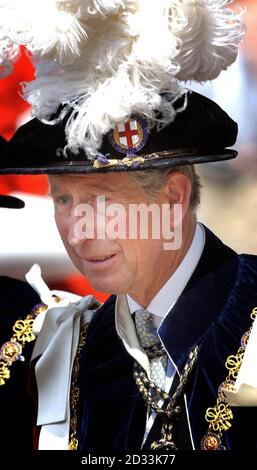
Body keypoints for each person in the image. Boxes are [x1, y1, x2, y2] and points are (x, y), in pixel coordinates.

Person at [1, 0, 256, 452]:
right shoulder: (69, 349)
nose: (79, 232)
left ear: (174, 198)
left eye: (103, 202)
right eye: (63, 199)